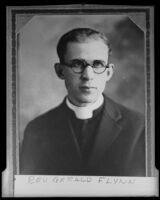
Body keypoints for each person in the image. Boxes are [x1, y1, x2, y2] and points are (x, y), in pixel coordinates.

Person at [20, 28, 146, 176]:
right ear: (60, 71)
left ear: (108, 72)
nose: (88, 75)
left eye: (98, 64)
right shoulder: (37, 130)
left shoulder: (139, 127)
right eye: (77, 64)